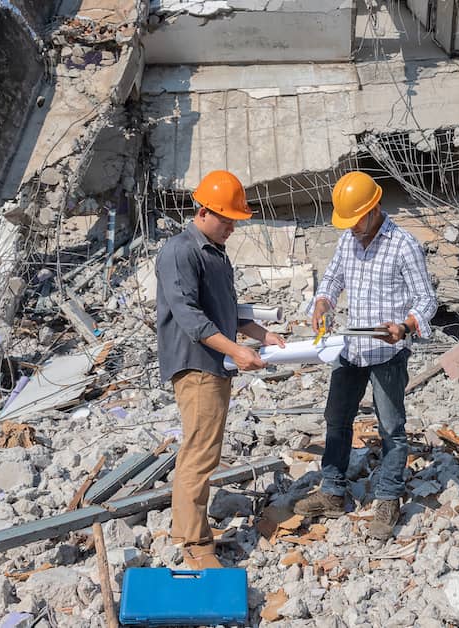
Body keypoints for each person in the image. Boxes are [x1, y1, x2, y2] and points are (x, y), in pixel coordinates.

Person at [293, 171, 438, 540]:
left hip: (387, 351)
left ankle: (388, 496)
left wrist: (405, 327)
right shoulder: (348, 239)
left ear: (373, 208)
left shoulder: (404, 245)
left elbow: (426, 300)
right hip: (351, 348)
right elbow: (332, 279)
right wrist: (323, 300)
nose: (352, 227)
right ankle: (332, 491)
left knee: (391, 427)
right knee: (336, 419)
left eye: (356, 219)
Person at [156, 169, 285, 569]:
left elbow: (226, 311)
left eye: (235, 219)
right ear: (204, 211)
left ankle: (193, 534)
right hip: (196, 366)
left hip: (214, 364)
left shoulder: (214, 252)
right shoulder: (181, 251)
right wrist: (237, 351)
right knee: (198, 455)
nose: (232, 226)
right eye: (227, 218)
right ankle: (194, 545)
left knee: (204, 452)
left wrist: (261, 335)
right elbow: (191, 317)